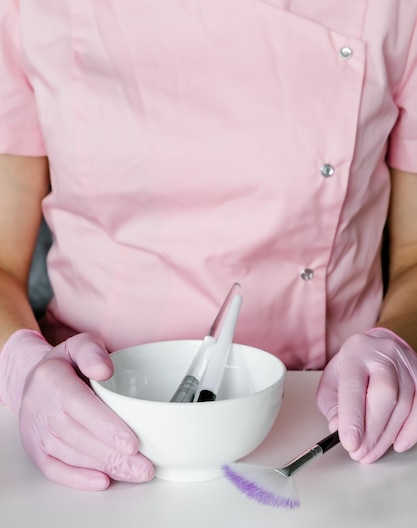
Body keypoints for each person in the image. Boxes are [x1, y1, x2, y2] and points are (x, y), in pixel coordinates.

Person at [1, 1, 417, 490]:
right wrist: (23, 366)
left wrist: (396, 344)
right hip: (83, 420)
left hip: (331, 423)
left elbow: (412, 255)